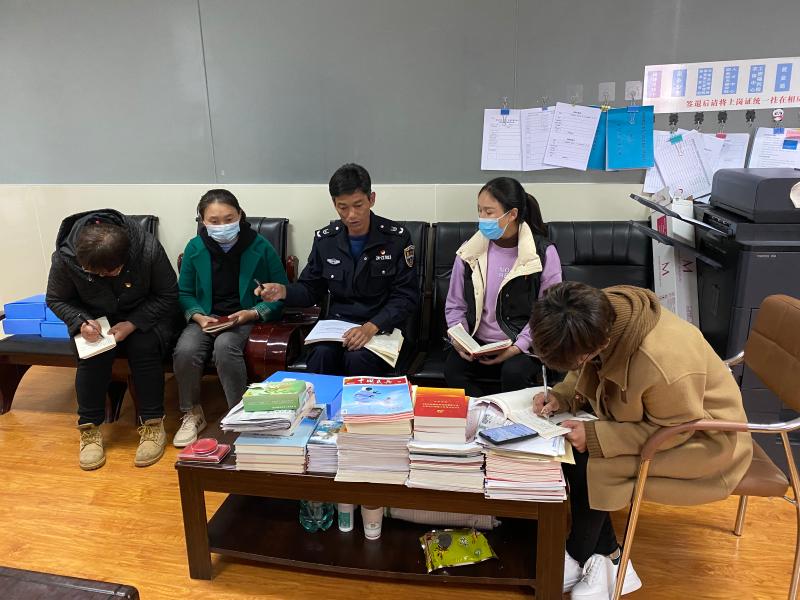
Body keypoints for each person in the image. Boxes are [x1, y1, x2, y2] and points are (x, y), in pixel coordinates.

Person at [530, 281, 753, 598]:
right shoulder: (595, 314)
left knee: (595, 462)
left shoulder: (662, 360)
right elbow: (586, 366)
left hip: (707, 439)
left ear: (600, 343)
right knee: (574, 449)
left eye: (579, 359)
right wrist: (562, 395)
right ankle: (608, 555)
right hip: (659, 421)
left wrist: (596, 435)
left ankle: (579, 554)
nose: (580, 365)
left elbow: (679, 429)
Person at [46, 209, 179, 471]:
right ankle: (89, 429)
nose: (103, 278)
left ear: (125, 259)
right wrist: (81, 321)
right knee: (92, 354)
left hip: (144, 314)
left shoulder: (148, 250)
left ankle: (153, 424)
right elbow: (57, 299)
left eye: (110, 272)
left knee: (144, 347)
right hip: (95, 320)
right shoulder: (65, 257)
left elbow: (168, 294)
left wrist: (133, 323)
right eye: (95, 273)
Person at [256, 163, 419, 376]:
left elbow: (406, 296)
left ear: (371, 199)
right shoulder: (326, 240)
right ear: (334, 204)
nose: (351, 215)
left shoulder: (396, 238)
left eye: (358, 205)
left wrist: (371, 326)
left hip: (381, 327)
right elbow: (310, 289)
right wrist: (283, 291)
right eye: (343, 207)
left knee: (357, 358)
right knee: (321, 355)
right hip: (338, 326)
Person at [172, 189, 288, 447]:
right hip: (206, 317)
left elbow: (281, 292)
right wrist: (198, 317)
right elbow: (185, 293)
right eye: (214, 221)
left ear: (240, 215)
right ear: (202, 221)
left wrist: (252, 312)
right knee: (186, 350)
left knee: (225, 346)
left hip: (243, 316)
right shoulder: (194, 247)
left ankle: (239, 413)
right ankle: (192, 413)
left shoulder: (260, 246)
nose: (222, 226)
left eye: (229, 219)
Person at [443, 177, 562, 397]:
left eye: (489, 212)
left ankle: (507, 416)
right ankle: (482, 413)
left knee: (513, 373)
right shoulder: (469, 251)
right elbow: (455, 305)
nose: (482, 218)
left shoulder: (543, 253)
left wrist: (518, 346)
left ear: (512, 214)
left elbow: (549, 311)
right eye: (479, 211)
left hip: (523, 344)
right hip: (477, 344)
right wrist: (460, 340)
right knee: (453, 370)